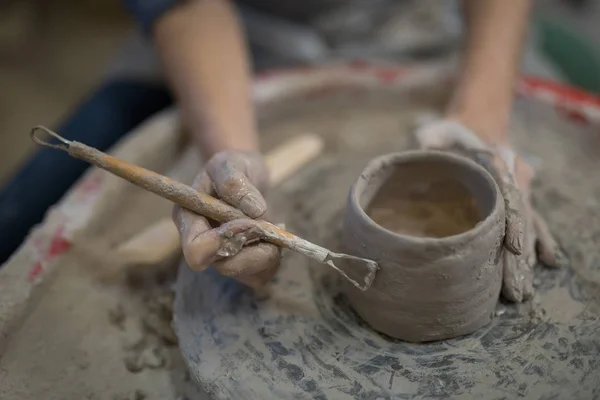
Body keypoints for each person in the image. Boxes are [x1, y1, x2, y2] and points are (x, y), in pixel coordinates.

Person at [0, 0, 563, 302]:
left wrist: (482, 120)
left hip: (432, 29)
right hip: (232, 37)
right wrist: (233, 155)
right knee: (18, 227)